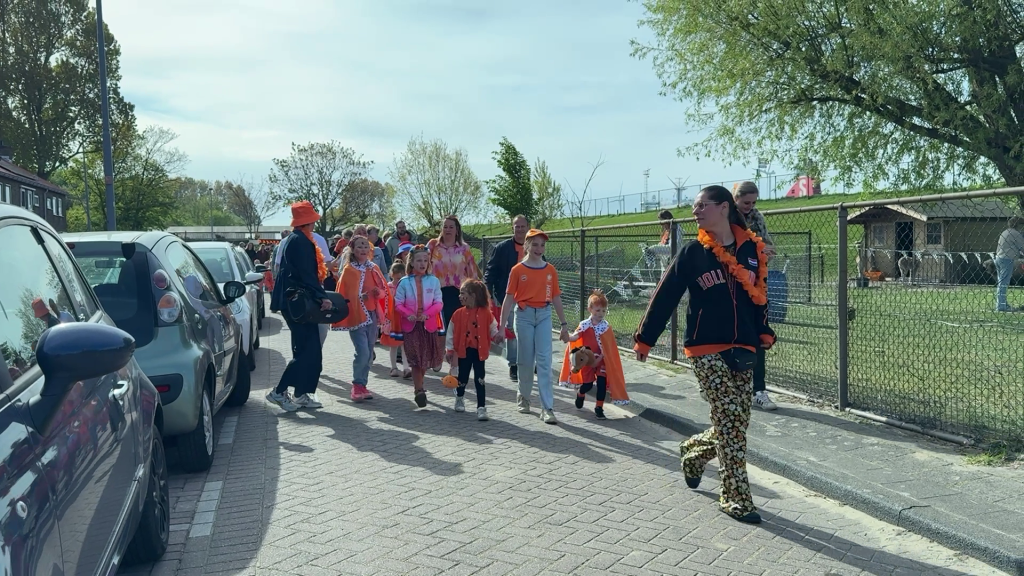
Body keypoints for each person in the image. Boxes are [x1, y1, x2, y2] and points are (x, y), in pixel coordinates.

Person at [633, 185, 775, 525]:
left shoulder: (752, 251)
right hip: (705, 347)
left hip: (743, 347)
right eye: (695, 206)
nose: (695, 212)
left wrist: (764, 330)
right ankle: (735, 497)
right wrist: (644, 339)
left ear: (723, 208)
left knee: (736, 421)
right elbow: (665, 295)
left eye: (701, 205)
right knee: (729, 418)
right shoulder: (692, 253)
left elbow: (759, 295)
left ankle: (694, 452)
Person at [498, 229, 571, 424]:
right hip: (524, 315)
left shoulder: (550, 270)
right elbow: (509, 297)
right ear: (527, 246)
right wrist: (501, 324)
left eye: (542, 245)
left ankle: (547, 408)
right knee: (526, 360)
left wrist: (564, 324)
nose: (539, 248)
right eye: (535, 244)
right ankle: (524, 396)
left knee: (545, 362)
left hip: (544, 315)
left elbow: (555, 296)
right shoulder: (517, 270)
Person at [267, 201, 333, 412]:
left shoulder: (293, 239)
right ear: (309, 220)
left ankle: (301, 393)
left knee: (305, 349)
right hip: (298, 303)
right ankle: (279, 392)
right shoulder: (301, 242)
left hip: (293, 302)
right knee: (308, 351)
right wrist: (322, 296)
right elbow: (307, 275)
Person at [733, 181, 778, 411]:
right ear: (736, 199)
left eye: (753, 202)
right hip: (732, 284)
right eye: (746, 202)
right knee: (733, 334)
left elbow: (768, 245)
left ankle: (759, 390)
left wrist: (766, 251)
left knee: (760, 333)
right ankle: (732, 387)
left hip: (758, 281)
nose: (750, 206)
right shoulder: (727, 216)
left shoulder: (757, 218)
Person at [331, 235, 387, 402]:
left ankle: (363, 385)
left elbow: (384, 290)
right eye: (359, 246)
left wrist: (379, 293)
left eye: (365, 246)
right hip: (357, 315)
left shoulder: (374, 268)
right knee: (362, 351)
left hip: (372, 315)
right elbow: (344, 294)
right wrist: (357, 298)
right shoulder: (349, 270)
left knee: (369, 352)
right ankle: (356, 385)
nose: (363, 249)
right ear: (353, 250)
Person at [558, 289, 628, 420]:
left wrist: (604, 357)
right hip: (587, 360)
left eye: (603, 311)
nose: (601, 314)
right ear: (590, 309)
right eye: (598, 310)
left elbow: (610, 346)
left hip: (602, 360)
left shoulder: (606, 327)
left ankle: (599, 407)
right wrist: (568, 337)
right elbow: (576, 336)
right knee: (588, 385)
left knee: (601, 384)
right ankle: (581, 393)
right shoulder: (585, 325)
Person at [395, 245, 445, 408]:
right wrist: (407, 313)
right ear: (411, 262)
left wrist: (428, 313)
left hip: (428, 326)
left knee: (425, 360)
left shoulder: (434, 281)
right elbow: (398, 303)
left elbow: (438, 302)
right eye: (419, 260)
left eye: (425, 260)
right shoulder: (404, 282)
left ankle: (419, 385)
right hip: (411, 326)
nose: (422, 264)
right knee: (416, 360)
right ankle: (419, 390)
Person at [444, 279, 501, 421]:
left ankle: (481, 407)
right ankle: (459, 397)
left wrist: (497, 336)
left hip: (479, 353)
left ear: (473, 295)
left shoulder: (486, 313)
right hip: (464, 351)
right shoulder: (458, 314)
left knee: (479, 379)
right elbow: (450, 332)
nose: (460, 296)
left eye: (463, 293)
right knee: (462, 377)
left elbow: (493, 327)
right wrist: (449, 349)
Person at [484, 214, 528, 382]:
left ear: (527, 227)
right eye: (517, 226)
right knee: (512, 331)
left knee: (529, 331)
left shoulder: (533, 246)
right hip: (508, 295)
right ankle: (514, 365)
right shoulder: (502, 248)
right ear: (513, 228)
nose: (520, 229)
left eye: (523, 226)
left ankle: (529, 362)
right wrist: (488, 291)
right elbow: (491, 270)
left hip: (530, 297)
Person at [428, 216, 480, 330]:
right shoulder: (433, 246)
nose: (448, 230)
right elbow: (423, 265)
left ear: (457, 230)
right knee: (440, 331)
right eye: (445, 227)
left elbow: (473, 273)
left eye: (451, 227)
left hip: (459, 294)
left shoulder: (464, 248)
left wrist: (474, 294)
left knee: (459, 330)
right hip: (437, 293)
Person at [383, 261, 411, 378]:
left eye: (401, 274)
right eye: (396, 274)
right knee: (393, 345)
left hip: (403, 318)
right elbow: (384, 302)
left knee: (404, 344)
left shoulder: (406, 286)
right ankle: (393, 367)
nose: (398, 276)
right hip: (392, 319)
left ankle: (406, 367)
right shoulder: (388, 287)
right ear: (391, 274)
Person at [995, 215, 1024, 312]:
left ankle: (1001, 304)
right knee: (1004, 283)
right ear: (1018, 225)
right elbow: (1022, 247)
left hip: (999, 258)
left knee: (1001, 283)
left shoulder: (1005, 232)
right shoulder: (1016, 234)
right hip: (1007, 259)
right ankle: (1001, 306)